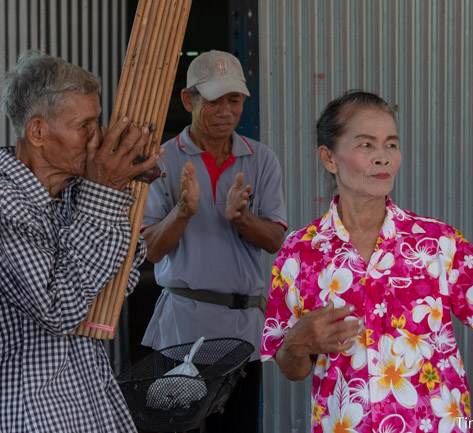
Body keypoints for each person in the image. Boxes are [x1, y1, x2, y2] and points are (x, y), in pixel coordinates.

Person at [261, 91, 473, 433]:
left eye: (391, 145)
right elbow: (292, 367)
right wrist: (298, 342)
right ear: (329, 158)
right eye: (366, 145)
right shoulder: (300, 253)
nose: (382, 157)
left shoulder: (436, 243)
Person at [0, 51, 162, 433]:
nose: (97, 138)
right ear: (37, 132)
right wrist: (104, 193)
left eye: (97, 122)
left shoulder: (69, 194)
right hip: (34, 417)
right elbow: (60, 309)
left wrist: (121, 191)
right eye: (84, 125)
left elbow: (120, 282)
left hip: (91, 406)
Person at [141, 50, 287, 433]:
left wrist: (242, 219)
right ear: (189, 100)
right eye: (215, 100)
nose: (226, 111)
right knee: (179, 428)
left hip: (243, 333)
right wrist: (183, 212)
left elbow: (275, 240)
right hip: (181, 331)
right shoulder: (162, 160)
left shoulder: (261, 159)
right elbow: (151, 249)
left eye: (234, 100)